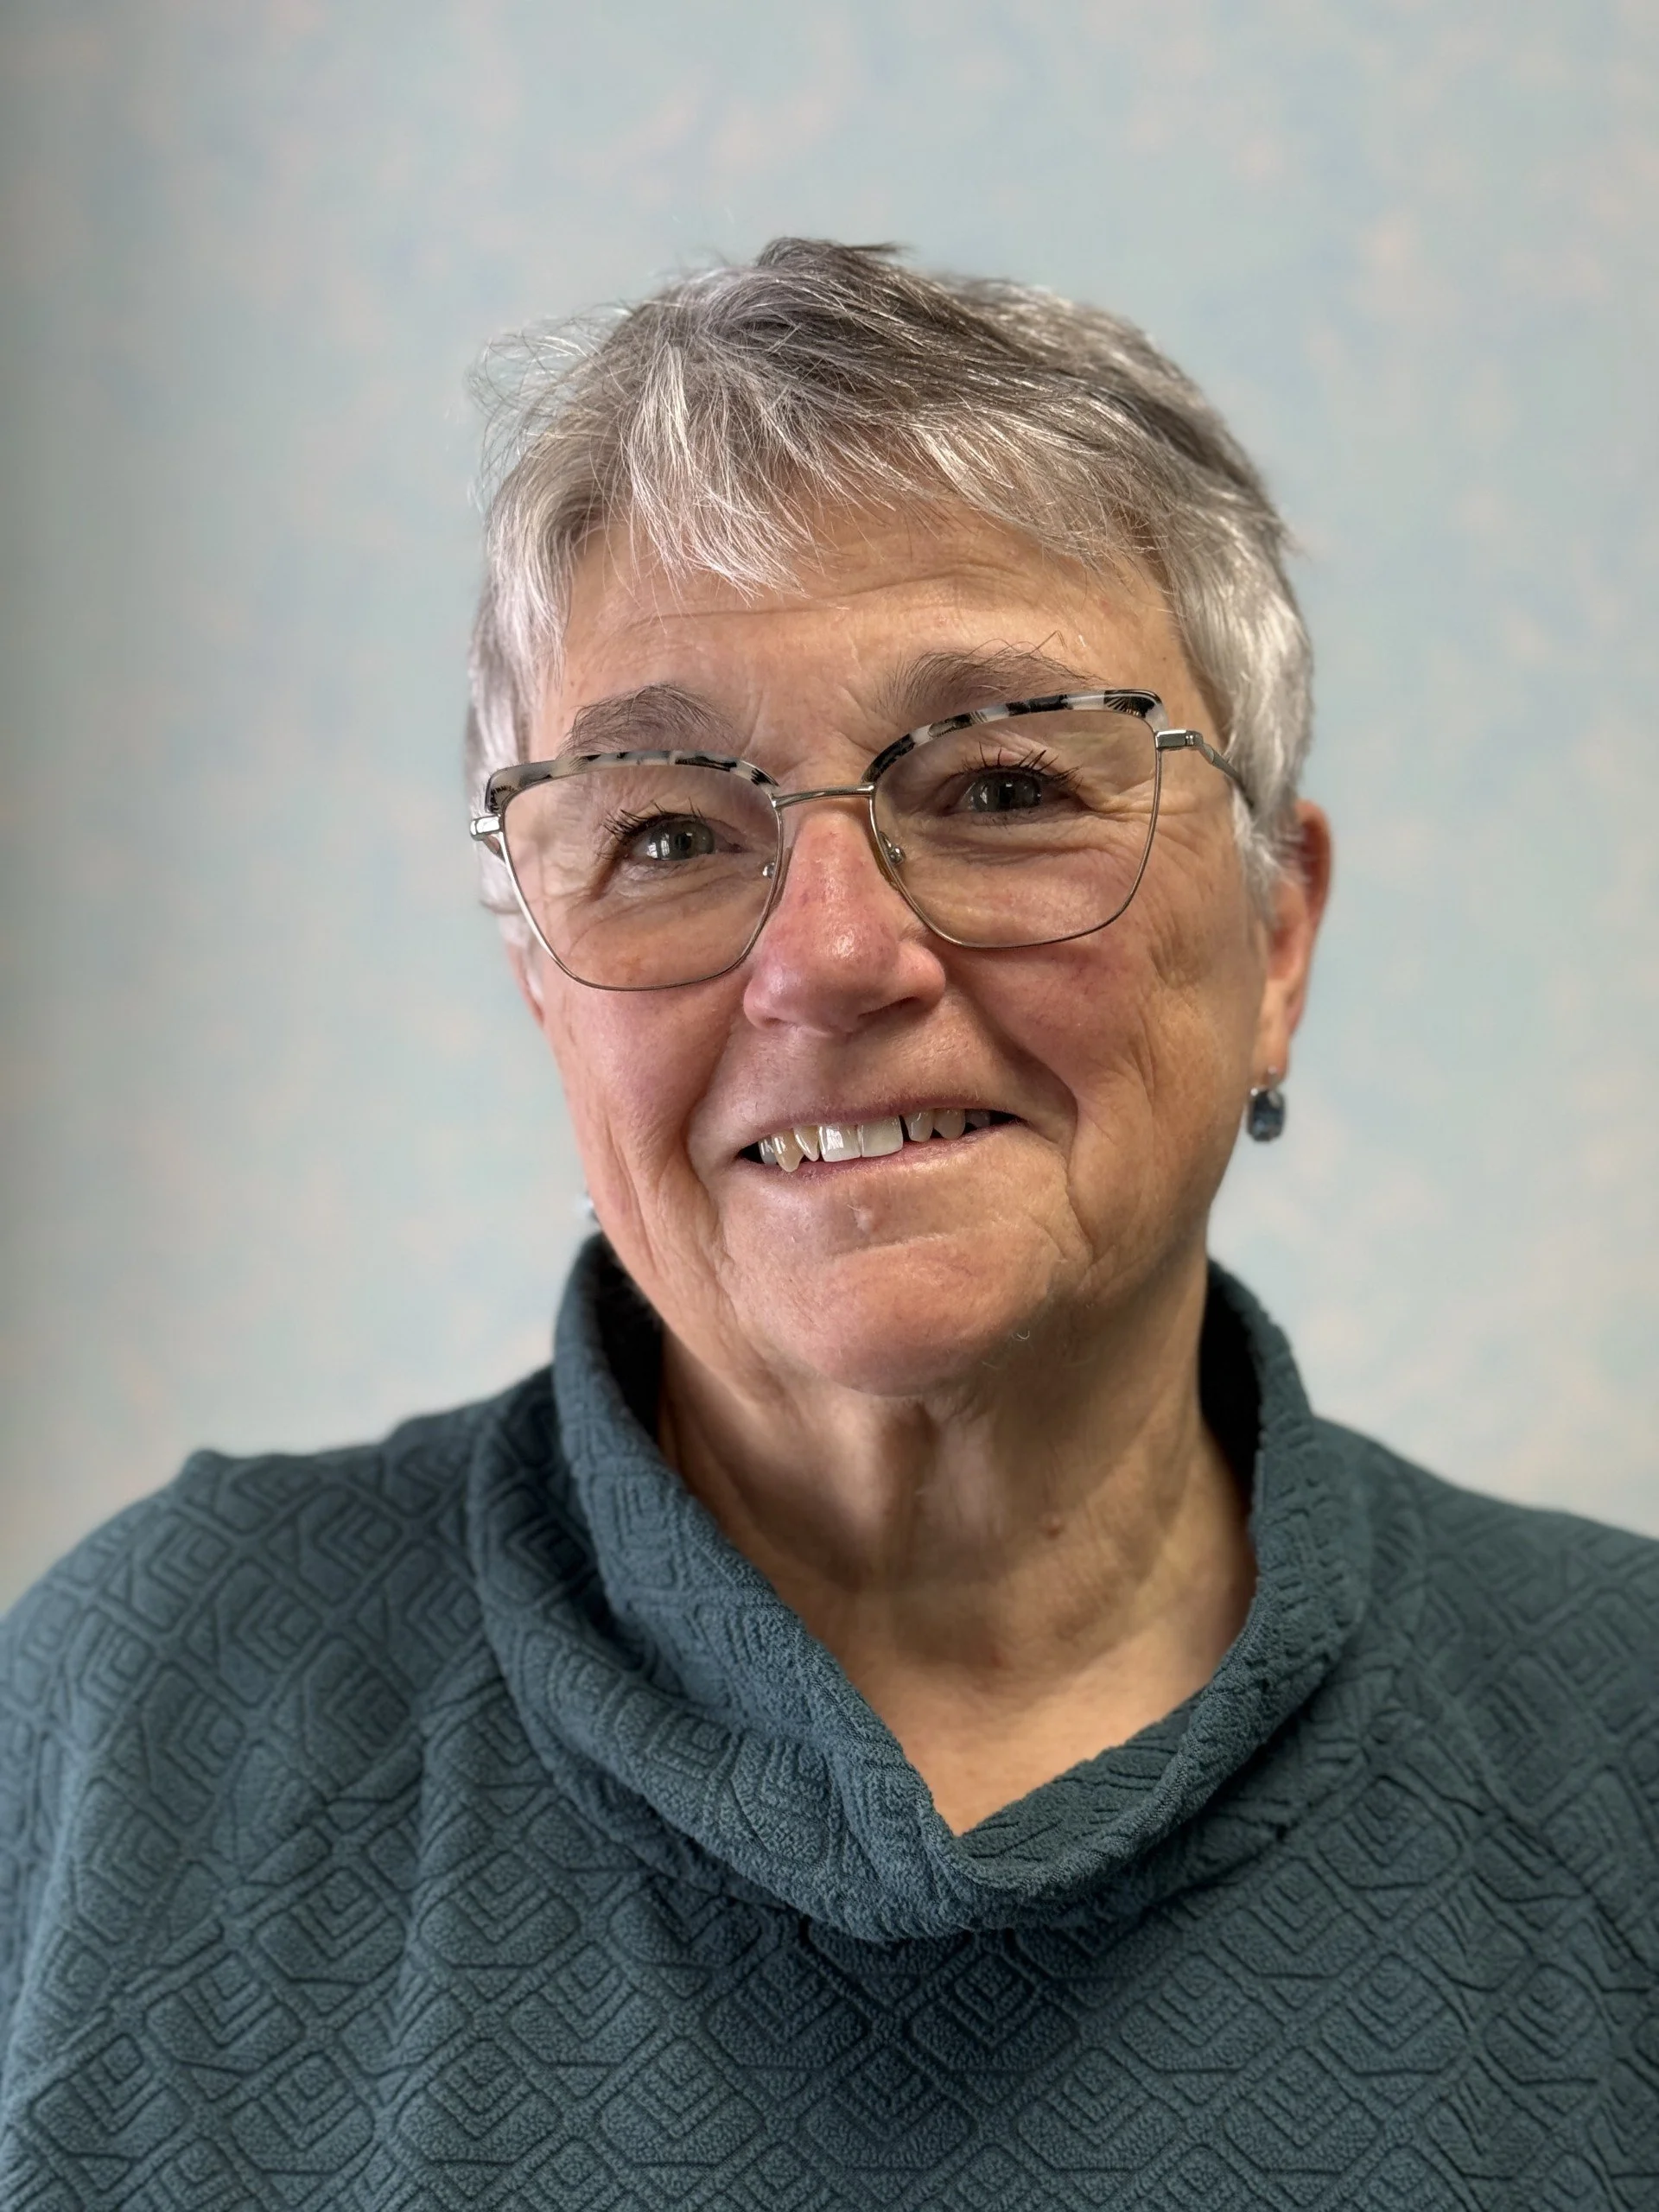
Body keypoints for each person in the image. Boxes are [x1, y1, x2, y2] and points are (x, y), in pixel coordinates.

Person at [2, 238, 1654, 2210]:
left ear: (1277, 936)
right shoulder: (156, 1726)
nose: (836, 955)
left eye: (1007, 778)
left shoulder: (1617, 1749)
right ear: (546, 978)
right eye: (671, 831)